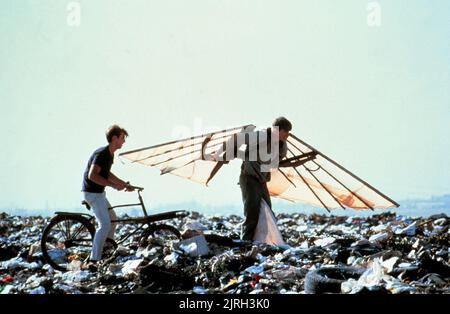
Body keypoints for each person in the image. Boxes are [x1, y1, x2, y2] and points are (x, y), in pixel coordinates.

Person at [212, 117, 317, 245]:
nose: (287, 135)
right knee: (251, 213)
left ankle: (260, 241)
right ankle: (245, 242)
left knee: (267, 212)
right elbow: (235, 138)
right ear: (277, 130)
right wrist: (219, 154)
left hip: (261, 181)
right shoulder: (260, 136)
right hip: (249, 178)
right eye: (286, 132)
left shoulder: (280, 145)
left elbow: (281, 164)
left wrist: (305, 159)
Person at [81, 125, 134, 269]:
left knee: (113, 220)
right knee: (104, 225)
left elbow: (107, 174)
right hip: (92, 194)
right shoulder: (102, 153)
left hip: (99, 194)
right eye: (122, 138)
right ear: (114, 138)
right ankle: (93, 260)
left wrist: (123, 184)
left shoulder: (110, 155)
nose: (124, 141)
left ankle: (105, 249)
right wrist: (113, 185)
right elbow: (92, 175)